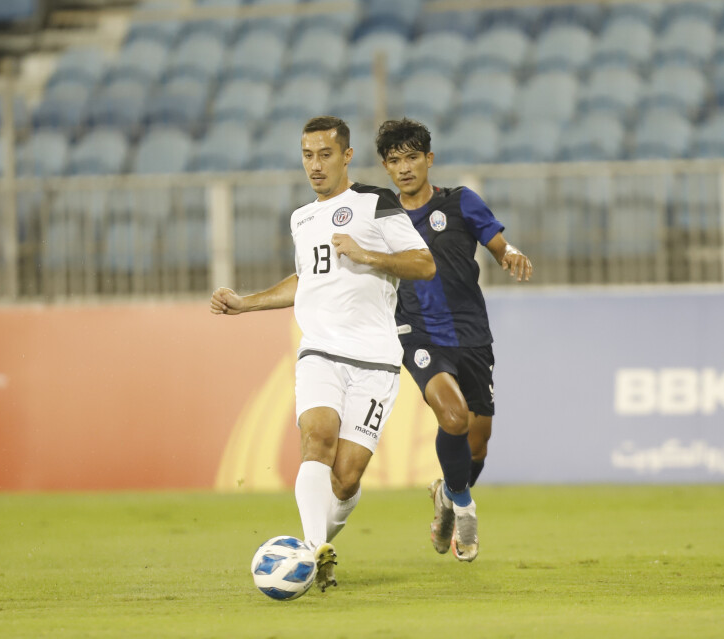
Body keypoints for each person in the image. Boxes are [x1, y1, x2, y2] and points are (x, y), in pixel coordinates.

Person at [211, 116, 435, 592]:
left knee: (347, 478)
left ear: (347, 156)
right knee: (317, 438)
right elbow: (305, 280)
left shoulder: (377, 202)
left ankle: (315, 545)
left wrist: (368, 255)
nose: (315, 165)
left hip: (375, 360)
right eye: (308, 155)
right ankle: (314, 552)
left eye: (325, 155)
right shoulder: (302, 218)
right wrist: (245, 303)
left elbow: (423, 263)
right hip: (320, 350)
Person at [375, 118, 533, 563]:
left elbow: (499, 245)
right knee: (453, 415)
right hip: (418, 334)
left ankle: (446, 494)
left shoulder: (461, 202)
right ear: (386, 167)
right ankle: (464, 511)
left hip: (472, 334)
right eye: (394, 161)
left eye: (412, 157)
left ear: (429, 159)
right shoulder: (382, 216)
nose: (404, 168)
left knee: (477, 443)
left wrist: (511, 253)